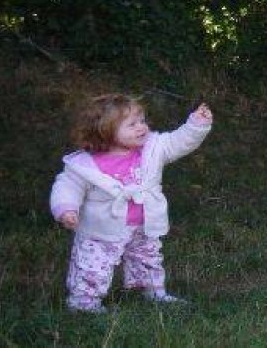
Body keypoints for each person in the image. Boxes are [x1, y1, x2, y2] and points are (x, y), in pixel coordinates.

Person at [50, 93, 213, 313]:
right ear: (104, 130)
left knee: (147, 258)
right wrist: (66, 209)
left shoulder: (153, 148)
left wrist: (196, 124)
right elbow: (67, 186)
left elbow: (178, 142)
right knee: (92, 266)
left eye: (142, 121)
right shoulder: (84, 164)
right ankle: (83, 303)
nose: (141, 128)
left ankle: (151, 292)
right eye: (132, 124)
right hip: (101, 229)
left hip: (144, 224)